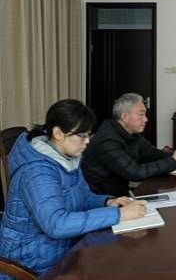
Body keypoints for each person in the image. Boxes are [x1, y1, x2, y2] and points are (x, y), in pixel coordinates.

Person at [0, 99, 147, 276]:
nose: (87, 141)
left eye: (89, 135)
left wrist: (108, 202)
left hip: (64, 250)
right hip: (32, 262)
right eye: (82, 136)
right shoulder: (37, 171)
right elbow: (56, 224)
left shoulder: (67, 157)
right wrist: (119, 215)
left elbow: (83, 197)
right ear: (58, 133)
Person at [82, 93, 176, 196]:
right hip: (103, 199)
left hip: (121, 195)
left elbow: (152, 153)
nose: (146, 119)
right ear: (125, 117)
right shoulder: (107, 140)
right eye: (141, 115)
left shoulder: (131, 134)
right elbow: (134, 172)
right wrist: (173, 162)